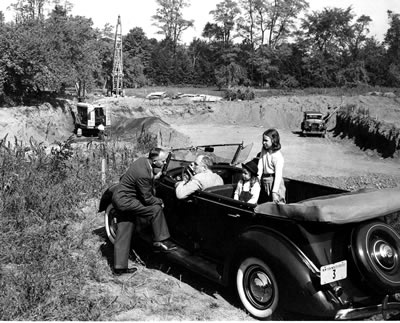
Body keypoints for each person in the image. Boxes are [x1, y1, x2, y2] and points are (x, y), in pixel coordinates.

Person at [111, 147, 176, 276]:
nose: (163, 163)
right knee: (155, 209)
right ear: (154, 160)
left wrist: (156, 176)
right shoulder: (143, 173)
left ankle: (119, 268)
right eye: (162, 161)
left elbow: (130, 178)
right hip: (126, 202)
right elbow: (147, 199)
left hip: (120, 198)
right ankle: (161, 240)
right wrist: (160, 201)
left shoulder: (141, 161)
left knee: (124, 231)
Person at [257, 128, 286, 204]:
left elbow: (278, 175)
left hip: (275, 182)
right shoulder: (264, 150)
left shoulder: (278, 156)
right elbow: (260, 164)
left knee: (277, 205)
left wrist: (274, 191)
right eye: (263, 140)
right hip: (265, 180)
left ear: (273, 140)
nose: (263, 142)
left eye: (266, 140)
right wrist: (258, 179)